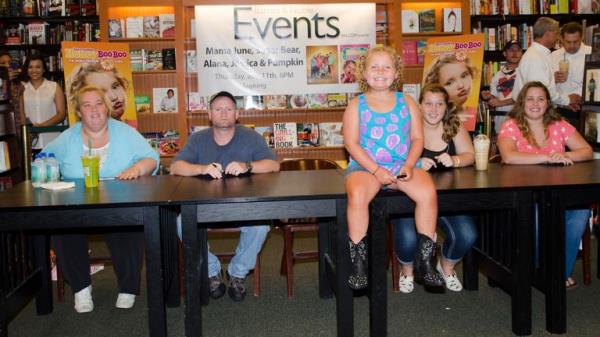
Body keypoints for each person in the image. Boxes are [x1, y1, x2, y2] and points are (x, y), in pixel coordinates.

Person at [43, 85, 159, 313]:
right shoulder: (67, 138)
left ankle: (127, 287)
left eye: (98, 104)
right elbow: (43, 159)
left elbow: (151, 157)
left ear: (106, 109)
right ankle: (81, 288)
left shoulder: (125, 132)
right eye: (87, 105)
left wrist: (137, 168)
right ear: (79, 112)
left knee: (127, 228)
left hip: (120, 203)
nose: (94, 110)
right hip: (77, 205)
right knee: (63, 226)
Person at [343, 46, 443, 290]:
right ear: (364, 73)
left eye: (387, 66)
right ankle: (358, 262)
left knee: (428, 192)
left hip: (402, 164)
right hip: (366, 167)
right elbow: (351, 143)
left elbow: (418, 139)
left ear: (396, 72)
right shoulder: (356, 104)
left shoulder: (407, 101)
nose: (380, 71)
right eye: (374, 67)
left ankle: (426, 259)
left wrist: (409, 164)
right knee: (357, 194)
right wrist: (376, 170)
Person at [170, 91, 279, 302]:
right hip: (206, 207)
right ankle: (212, 271)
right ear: (209, 115)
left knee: (262, 224)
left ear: (236, 114)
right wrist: (202, 168)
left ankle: (237, 273)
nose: (223, 113)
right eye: (218, 109)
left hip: (244, 205)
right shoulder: (198, 139)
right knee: (181, 223)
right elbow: (176, 166)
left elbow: (273, 165)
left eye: (229, 109)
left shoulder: (250, 137)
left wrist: (247, 165)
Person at [497, 81, 593, 289]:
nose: (535, 103)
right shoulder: (510, 125)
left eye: (541, 98)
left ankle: (559, 272)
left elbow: (586, 151)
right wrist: (547, 157)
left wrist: (564, 154)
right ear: (522, 102)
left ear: (548, 103)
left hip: (560, 192)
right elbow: (509, 157)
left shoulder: (559, 124)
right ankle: (538, 269)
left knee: (580, 214)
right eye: (530, 98)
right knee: (538, 217)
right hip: (526, 195)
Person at [392, 84, 476, 293]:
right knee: (409, 239)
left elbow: (470, 155)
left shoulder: (453, 126)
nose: (433, 109)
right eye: (428, 103)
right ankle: (407, 271)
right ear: (419, 106)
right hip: (408, 198)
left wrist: (455, 159)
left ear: (446, 107)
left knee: (467, 234)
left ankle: (445, 267)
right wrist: (416, 162)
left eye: (439, 104)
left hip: (445, 200)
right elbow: (392, 159)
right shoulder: (407, 127)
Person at [512, 17, 581, 112]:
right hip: (533, 114)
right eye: (557, 33)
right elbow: (541, 91)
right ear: (548, 33)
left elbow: (545, 88)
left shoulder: (539, 54)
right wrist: (567, 100)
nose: (558, 38)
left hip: (536, 112)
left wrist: (564, 103)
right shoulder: (535, 57)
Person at [20, 55, 66, 150]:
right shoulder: (21, 88)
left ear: (44, 69)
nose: (34, 70)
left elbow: (61, 114)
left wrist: (41, 127)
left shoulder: (54, 87)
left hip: (52, 141)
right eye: (30, 67)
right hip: (29, 142)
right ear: (27, 70)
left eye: (38, 67)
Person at [550, 22, 592, 126]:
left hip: (587, 108)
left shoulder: (593, 53)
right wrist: (553, 79)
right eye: (568, 42)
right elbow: (544, 85)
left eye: (575, 42)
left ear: (582, 37)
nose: (572, 46)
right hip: (560, 109)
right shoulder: (553, 56)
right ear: (561, 39)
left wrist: (578, 96)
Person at [482, 40, 523, 133]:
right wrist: (489, 97)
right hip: (501, 120)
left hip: (520, 120)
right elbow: (495, 98)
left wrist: (501, 103)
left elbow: (523, 98)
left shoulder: (524, 73)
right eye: (511, 50)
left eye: (518, 50)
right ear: (505, 53)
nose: (515, 53)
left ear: (522, 53)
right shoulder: (497, 75)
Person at [0, 52, 25, 132]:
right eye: (3, 63)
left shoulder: (19, 85)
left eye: (10, 63)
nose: (8, 66)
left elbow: (21, 112)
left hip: (15, 128)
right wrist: (5, 80)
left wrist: (24, 131)